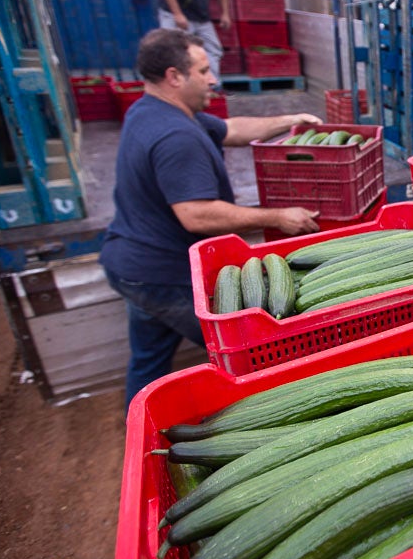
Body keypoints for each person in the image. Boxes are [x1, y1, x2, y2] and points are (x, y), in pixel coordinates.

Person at [101, 28, 323, 408]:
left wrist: (292, 119)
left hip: (130, 263)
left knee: (150, 355)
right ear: (175, 76)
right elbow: (197, 214)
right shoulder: (176, 136)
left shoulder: (153, 109)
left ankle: (136, 422)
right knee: (252, 355)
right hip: (163, 274)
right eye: (203, 71)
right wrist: (278, 216)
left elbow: (234, 129)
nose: (213, 79)